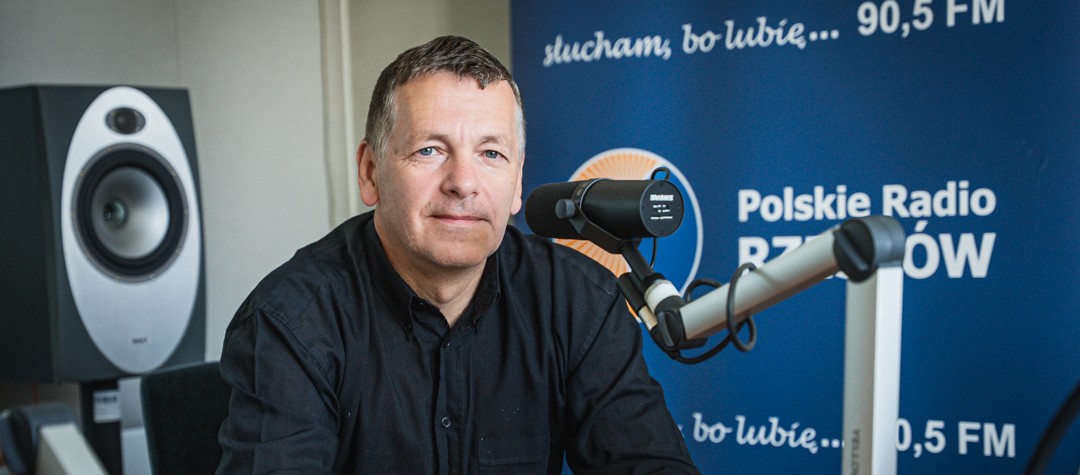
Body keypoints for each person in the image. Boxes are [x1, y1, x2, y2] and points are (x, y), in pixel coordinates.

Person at [216, 35, 698, 474]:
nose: (463, 183)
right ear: (370, 172)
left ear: (517, 182)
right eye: (429, 150)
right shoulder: (291, 321)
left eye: (491, 154)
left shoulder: (578, 301)